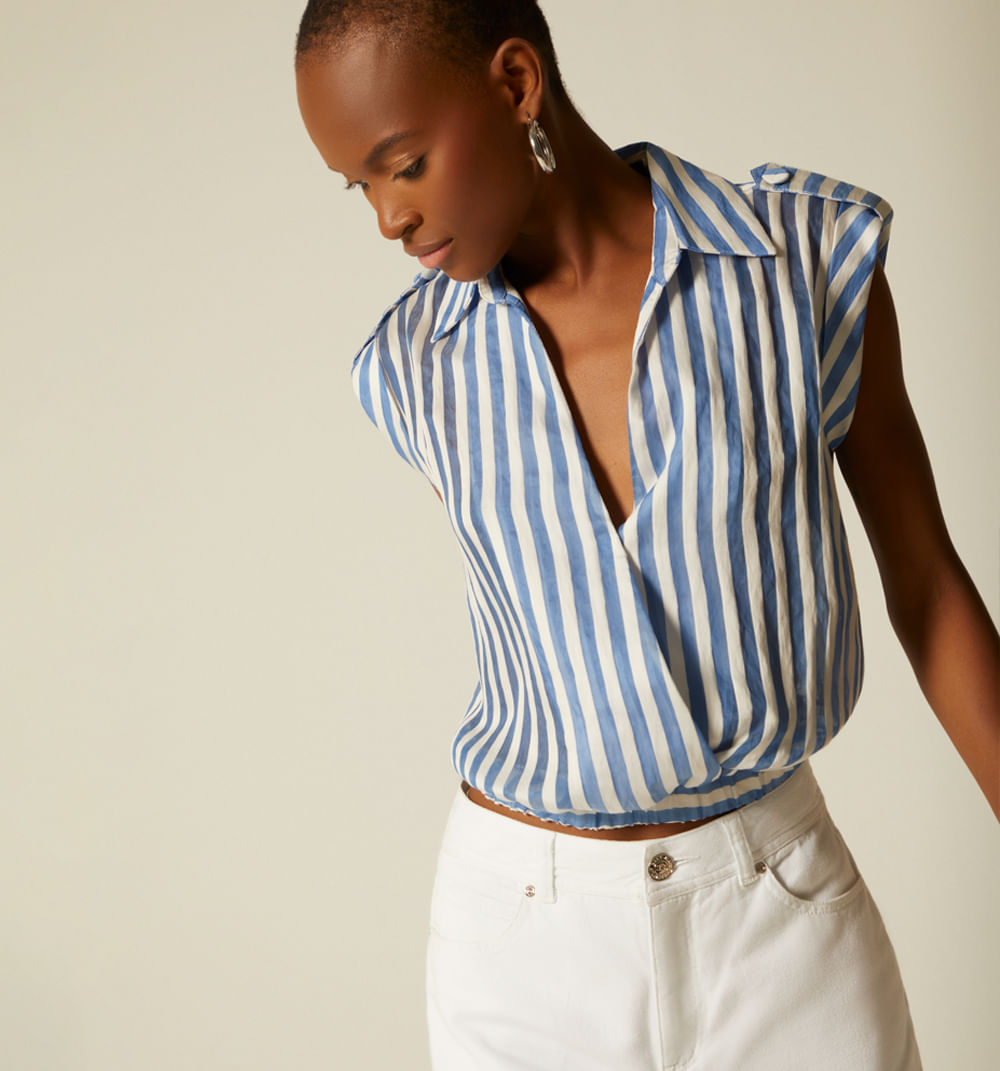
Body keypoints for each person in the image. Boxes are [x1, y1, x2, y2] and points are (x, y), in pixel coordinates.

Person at [293, 2, 999, 1067]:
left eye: (404, 164)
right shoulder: (413, 368)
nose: (389, 218)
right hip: (521, 943)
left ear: (516, 84)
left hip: (780, 918)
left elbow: (929, 587)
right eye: (360, 186)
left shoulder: (803, 265)